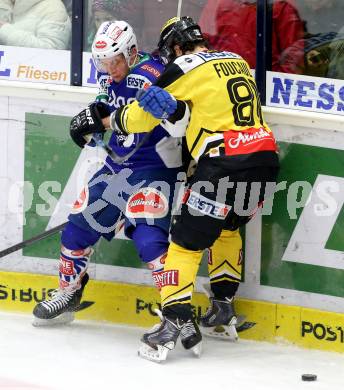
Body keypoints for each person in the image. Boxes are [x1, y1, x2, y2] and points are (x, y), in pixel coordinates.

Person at [105, 16, 280, 362]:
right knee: (227, 230)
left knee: (183, 244)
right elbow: (212, 108)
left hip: (222, 165)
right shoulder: (236, 59)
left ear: (177, 47)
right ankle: (223, 310)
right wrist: (180, 114)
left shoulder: (183, 65)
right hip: (264, 160)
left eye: (169, 53)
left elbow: (141, 117)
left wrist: (109, 120)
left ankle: (171, 324)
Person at [32, 21, 185, 332]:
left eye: (114, 61)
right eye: (102, 62)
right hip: (117, 168)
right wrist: (91, 120)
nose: (109, 69)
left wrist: (102, 120)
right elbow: (103, 109)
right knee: (76, 230)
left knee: (150, 242)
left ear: (130, 53)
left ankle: (176, 311)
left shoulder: (151, 75)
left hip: (154, 169)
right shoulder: (108, 72)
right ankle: (69, 293)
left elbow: (164, 113)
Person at [199, 0, 305, 74]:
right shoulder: (217, 3)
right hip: (219, 84)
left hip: (262, 91)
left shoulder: (281, 7)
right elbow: (200, 47)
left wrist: (273, 90)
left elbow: (293, 59)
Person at [0, 0, 71, 49]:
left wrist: (4, 30)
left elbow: (52, 50)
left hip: (29, 69)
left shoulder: (54, 8)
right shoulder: (6, 4)